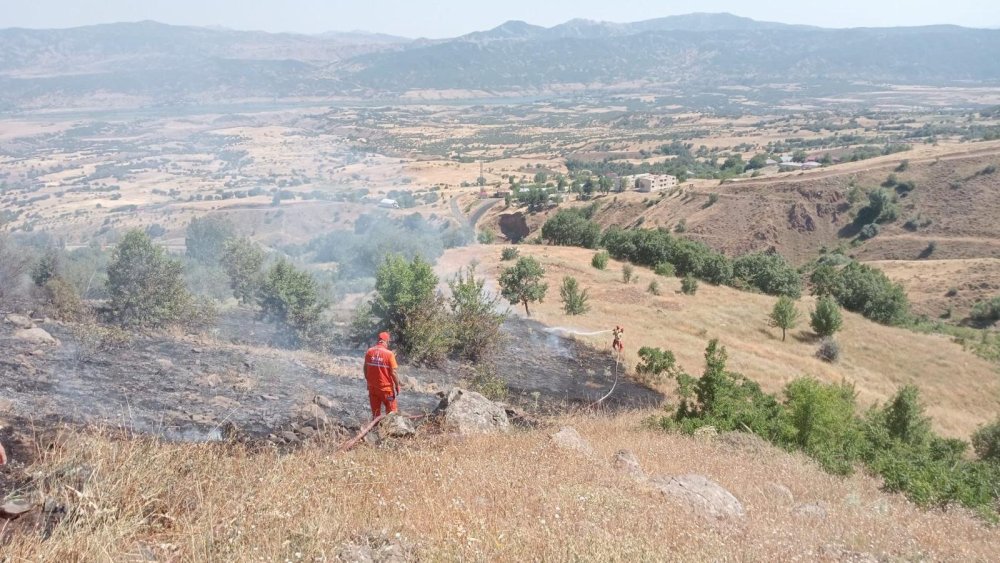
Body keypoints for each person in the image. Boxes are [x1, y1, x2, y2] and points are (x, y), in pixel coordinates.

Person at [364, 331, 401, 419]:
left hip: (372, 389)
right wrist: (397, 386)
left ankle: (375, 427)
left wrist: (368, 382)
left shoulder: (369, 351)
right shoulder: (389, 354)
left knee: (375, 415)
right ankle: (389, 428)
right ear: (387, 341)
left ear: (378, 340)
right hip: (386, 391)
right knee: (392, 414)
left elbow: (365, 369)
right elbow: (394, 372)